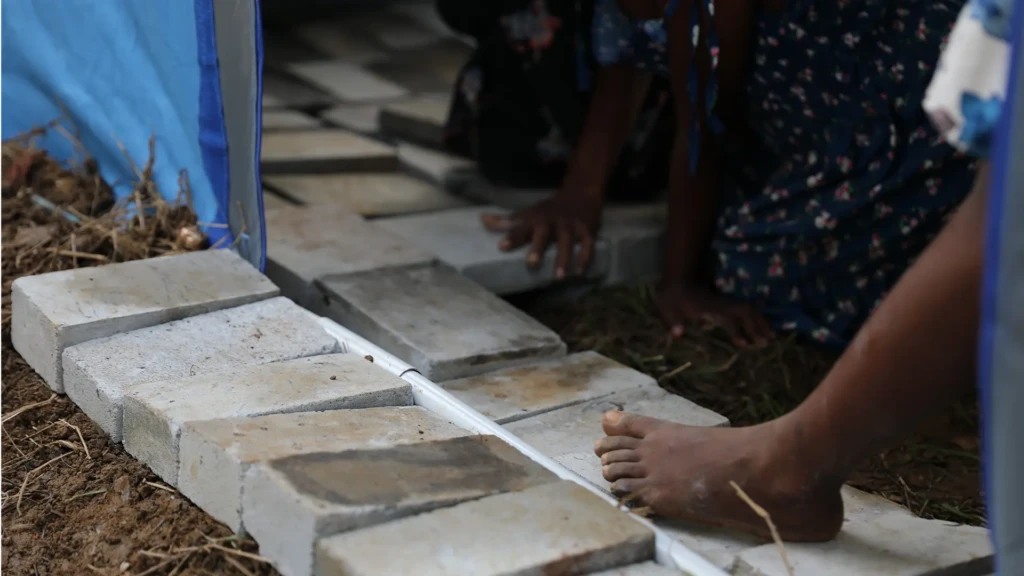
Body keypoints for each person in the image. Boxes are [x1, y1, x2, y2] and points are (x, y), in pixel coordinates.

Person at [591, 0, 1010, 542]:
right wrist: (677, 278)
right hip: (833, 164)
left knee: (1003, 203)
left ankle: (787, 473)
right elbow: (702, 118)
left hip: (920, 153)